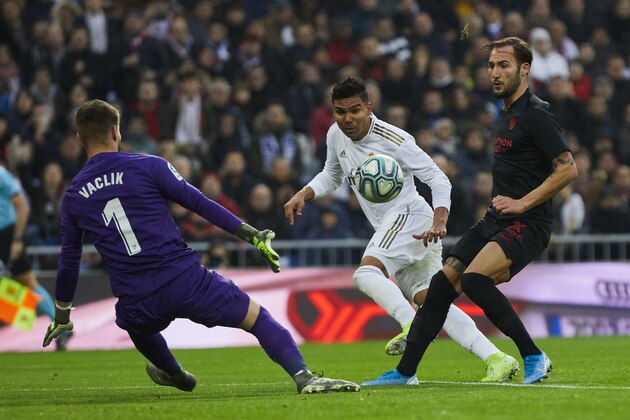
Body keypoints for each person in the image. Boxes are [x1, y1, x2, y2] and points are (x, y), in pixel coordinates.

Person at [42, 99, 360, 395]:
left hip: (137, 295)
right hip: (185, 280)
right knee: (257, 318)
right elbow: (200, 203)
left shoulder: (73, 195)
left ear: (80, 137)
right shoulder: (148, 166)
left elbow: (69, 258)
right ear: (115, 131)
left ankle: (174, 372)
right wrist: (250, 234)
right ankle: (303, 376)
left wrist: (62, 314)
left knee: (132, 323)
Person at [362, 37, 578, 387]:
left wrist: (522, 203)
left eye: (504, 65)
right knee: (440, 287)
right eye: (491, 66)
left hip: (528, 222)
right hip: (497, 220)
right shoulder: (506, 112)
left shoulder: (536, 113)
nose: (495, 73)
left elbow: (568, 168)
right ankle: (403, 373)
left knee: (476, 280)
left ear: (525, 69)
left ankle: (534, 355)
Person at [284, 77, 519, 383]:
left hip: (411, 216)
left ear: (368, 108)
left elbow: (439, 179)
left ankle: (409, 325)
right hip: (399, 226)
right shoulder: (335, 135)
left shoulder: (394, 139)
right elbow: (331, 174)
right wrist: (304, 193)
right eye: (340, 112)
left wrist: (440, 220)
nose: (347, 119)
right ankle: (497, 358)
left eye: (354, 110)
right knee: (431, 299)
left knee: (366, 274)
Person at [0, 164, 73, 348]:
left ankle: (60, 326)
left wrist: (17, 239)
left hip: (6, 235)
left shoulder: (1, 174)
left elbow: (22, 207)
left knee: (29, 283)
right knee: (19, 286)